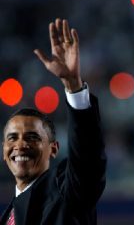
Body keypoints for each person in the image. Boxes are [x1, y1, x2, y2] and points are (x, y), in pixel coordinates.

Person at [0, 18, 106, 225]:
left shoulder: (66, 192)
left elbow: (87, 159)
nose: (20, 145)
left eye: (32, 137)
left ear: (53, 148)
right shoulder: (8, 214)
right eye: (12, 138)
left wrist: (74, 87)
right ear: (4, 150)